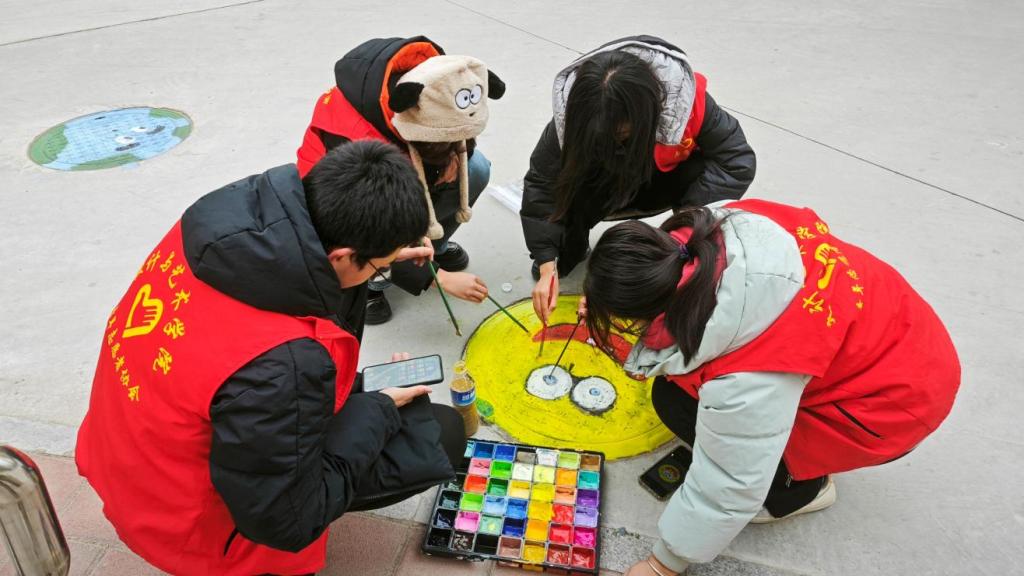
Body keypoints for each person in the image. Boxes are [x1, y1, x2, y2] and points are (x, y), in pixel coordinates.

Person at [75, 141, 466, 576]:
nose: (382, 271)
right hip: (184, 522)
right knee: (440, 433)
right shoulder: (284, 365)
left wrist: (380, 255)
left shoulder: (217, 229)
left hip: (125, 456)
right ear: (341, 256)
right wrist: (379, 408)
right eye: (379, 268)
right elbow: (283, 520)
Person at [580, 199, 960, 576]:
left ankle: (801, 491)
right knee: (676, 392)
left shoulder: (751, 374)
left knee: (681, 407)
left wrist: (662, 565)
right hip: (901, 334)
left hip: (897, 404)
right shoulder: (716, 227)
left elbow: (730, 482)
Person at [521, 35, 756, 323]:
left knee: (684, 242)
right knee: (560, 217)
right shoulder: (574, 114)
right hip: (603, 185)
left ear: (646, 112)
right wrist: (547, 263)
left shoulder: (687, 104)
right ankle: (568, 248)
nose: (612, 138)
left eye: (619, 133)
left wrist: (686, 225)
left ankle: (676, 254)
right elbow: (541, 184)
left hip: (662, 181)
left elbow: (736, 162)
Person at [297, 36, 506, 324]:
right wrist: (437, 279)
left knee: (475, 168)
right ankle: (371, 282)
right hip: (346, 218)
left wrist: (456, 156)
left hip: (400, 172)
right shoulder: (357, 144)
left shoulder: (436, 87)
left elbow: (459, 128)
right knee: (375, 234)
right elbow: (365, 227)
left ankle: (431, 250)